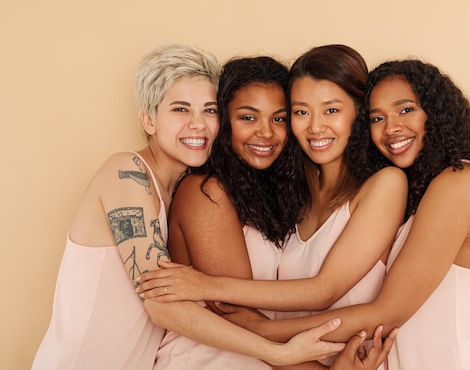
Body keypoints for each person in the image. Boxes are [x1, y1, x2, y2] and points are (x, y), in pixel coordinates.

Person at [143, 57, 470, 370]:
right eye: (379, 117)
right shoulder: (289, 197)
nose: (392, 127)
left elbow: (378, 308)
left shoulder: (455, 184)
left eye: (406, 109)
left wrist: (265, 332)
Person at [32, 44, 346, 370]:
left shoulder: (173, 193)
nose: (198, 124)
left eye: (209, 110)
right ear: (149, 120)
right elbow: (161, 304)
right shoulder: (126, 174)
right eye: (181, 110)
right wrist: (280, 353)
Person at [136, 45, 406, 368]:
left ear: (358, 113)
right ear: (223, 121)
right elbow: (236, 317)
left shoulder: (288, 195)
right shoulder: (207, 191)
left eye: (278, 117)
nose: (266, 132)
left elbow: (308, 299)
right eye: (247, 117)